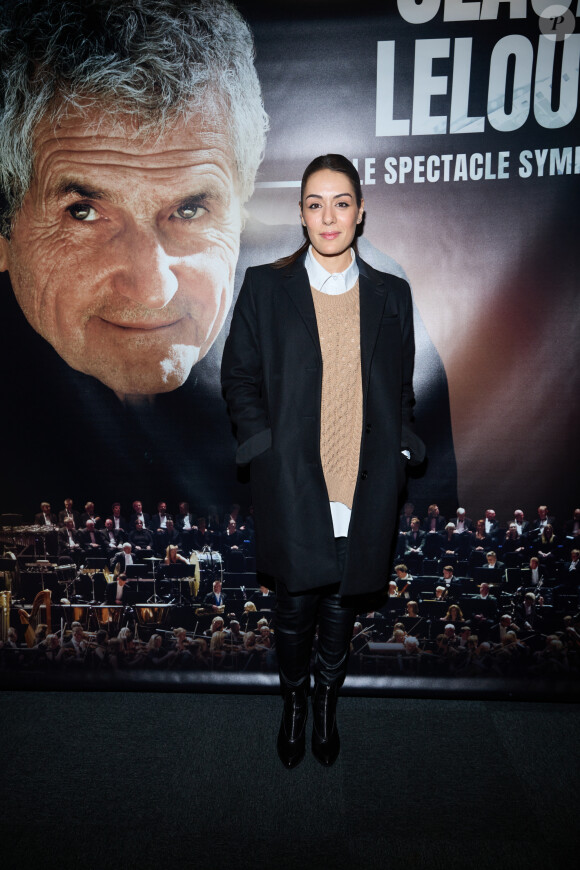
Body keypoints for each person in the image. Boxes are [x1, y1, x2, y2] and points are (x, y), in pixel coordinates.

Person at [221, 154, 425, 768]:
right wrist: (267, 450)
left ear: (360, 213)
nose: (328, 216)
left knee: (341, 607)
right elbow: (238, 378)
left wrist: (401, 441)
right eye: (315, 203)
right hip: (293, 483)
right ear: (302, 214)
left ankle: (329, 702)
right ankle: (294, 701)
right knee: (292, 610)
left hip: (364, 481)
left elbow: (402, 386)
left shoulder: (393, 294)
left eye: (341, 202)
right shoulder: (264, 285)